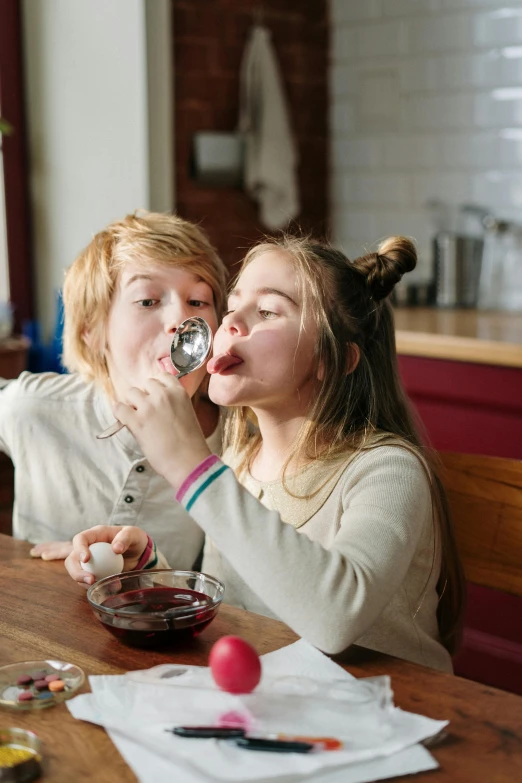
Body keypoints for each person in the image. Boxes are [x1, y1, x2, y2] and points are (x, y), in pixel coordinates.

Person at [65, 234, 465, 671]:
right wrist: (148, 566)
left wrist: (191, 469)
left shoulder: (387, 472)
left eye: (268, 311)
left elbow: (335, 619)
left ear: (330, 360)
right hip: (279, 704)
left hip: (396, 713)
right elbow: (246, 600)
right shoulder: (240, 461)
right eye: (232, 305)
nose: (230, 321)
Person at [0, 210, 228, 568]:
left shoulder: (239, 443)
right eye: (148, 301)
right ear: (93, 331)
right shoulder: (35, 408)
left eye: (198, 301)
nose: (179, 321)